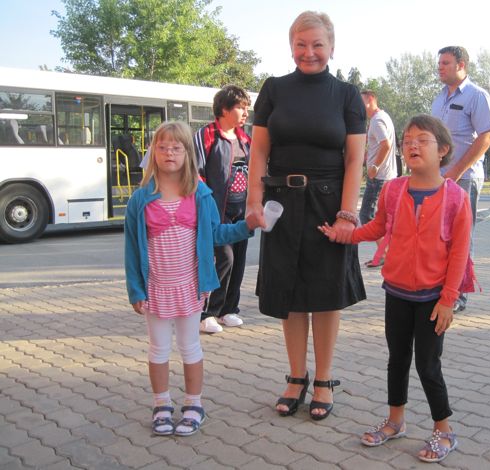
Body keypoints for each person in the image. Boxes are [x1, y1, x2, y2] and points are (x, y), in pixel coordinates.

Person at [319, 114, 473, 463]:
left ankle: (444, 430)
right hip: (397, 294)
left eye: (422, 140)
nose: (412, 145)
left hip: (434, 300)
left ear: (443, 150)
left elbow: (460, 254)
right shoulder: (393, 189)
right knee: (397, 360)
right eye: (407, 140)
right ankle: (395, 421)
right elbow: (376, 228)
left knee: (428, 366)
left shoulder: (456, 198)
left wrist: (448, 300)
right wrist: (344, 235)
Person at [245, 11, 367, 420]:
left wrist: (348, 215)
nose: (309, 52)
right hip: (281, 203)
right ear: (291, 46)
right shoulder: (274, 89)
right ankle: (296, 376)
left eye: (317, 44)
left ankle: (324, 379)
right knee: (290, 292)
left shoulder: (346, 95)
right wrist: (253, 201)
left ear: (331, 47)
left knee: (325, 294)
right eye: (301, 44)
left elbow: (354, 160)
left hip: (328, 206)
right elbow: (259, 151)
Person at [124, 121, 258, 437]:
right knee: (158, 349)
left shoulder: (200, 195)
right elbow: (131, 249)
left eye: (176, 147)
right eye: (162, 147)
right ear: (153, 152)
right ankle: (161, 405)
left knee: (190, 346)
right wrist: (135, 290)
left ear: (188, 153)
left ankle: (193, 405)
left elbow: (217, 233)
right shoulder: (139, 200)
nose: (169, 153)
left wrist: (247, 226)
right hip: (155, 289)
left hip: (190, 287)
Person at [431, 46, 490, 313]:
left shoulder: (476, 96)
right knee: (439, 236)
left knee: (460, 238)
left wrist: (456, 171)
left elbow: (486, 137)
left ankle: (457, 297)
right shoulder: (438, 99)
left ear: (461, 65)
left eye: (445, 63)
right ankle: (439, 289)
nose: (440, 67)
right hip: (438, 179)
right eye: (439, 63)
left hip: (464, 179)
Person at [193, 85, 252, 334]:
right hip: (216, 212)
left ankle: (229, 309)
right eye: (240, 107)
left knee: (238, 260)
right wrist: (204, 207)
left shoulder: (245, 139)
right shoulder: (206, 135)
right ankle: (207, 312)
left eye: (247, 108)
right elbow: (195, 173)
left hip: (241, 210)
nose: (245, 113)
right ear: (224, 109)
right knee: (224, 259)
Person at [359, 90, 397, 268]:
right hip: (386, 176)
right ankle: (388, 253)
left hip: (379, 177)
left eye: (361, 101)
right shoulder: (383, 117)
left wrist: (374, 167)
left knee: (367, 215)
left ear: (371, 99)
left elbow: (386, 145)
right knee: (382, 218)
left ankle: (387, 254)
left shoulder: (377, 120)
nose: (359, 106)